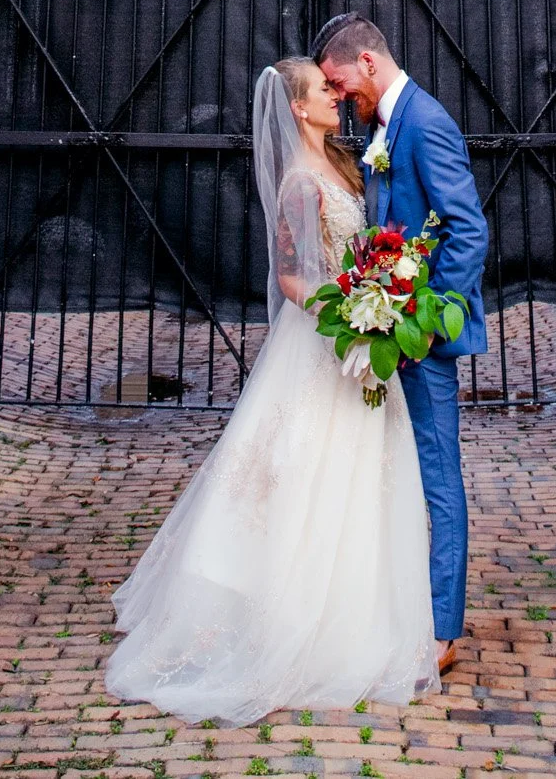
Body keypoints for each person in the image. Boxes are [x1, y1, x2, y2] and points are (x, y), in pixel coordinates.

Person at [105, 57, 438, 723]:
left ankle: (352, 612)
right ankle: (284, 617)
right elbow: (290, 278)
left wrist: (384, 286)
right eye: (322, 91)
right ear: (296, 107)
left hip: (355, 336)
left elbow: (358, 248)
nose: (334, 98)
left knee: (355, 476)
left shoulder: (342, 166)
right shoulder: (298, 184)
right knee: (297, 474)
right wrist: (354, 309)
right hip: (324, 341)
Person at [314, 14, 488, 679]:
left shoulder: (425, 121)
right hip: (391, 326)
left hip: (422, 339)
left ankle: (442, 630)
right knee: (404, 474)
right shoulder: (385, 125)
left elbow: (466, 231)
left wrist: (426, 322)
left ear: (365, 61)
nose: (338, 96)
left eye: (338, 82)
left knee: (439, 480)